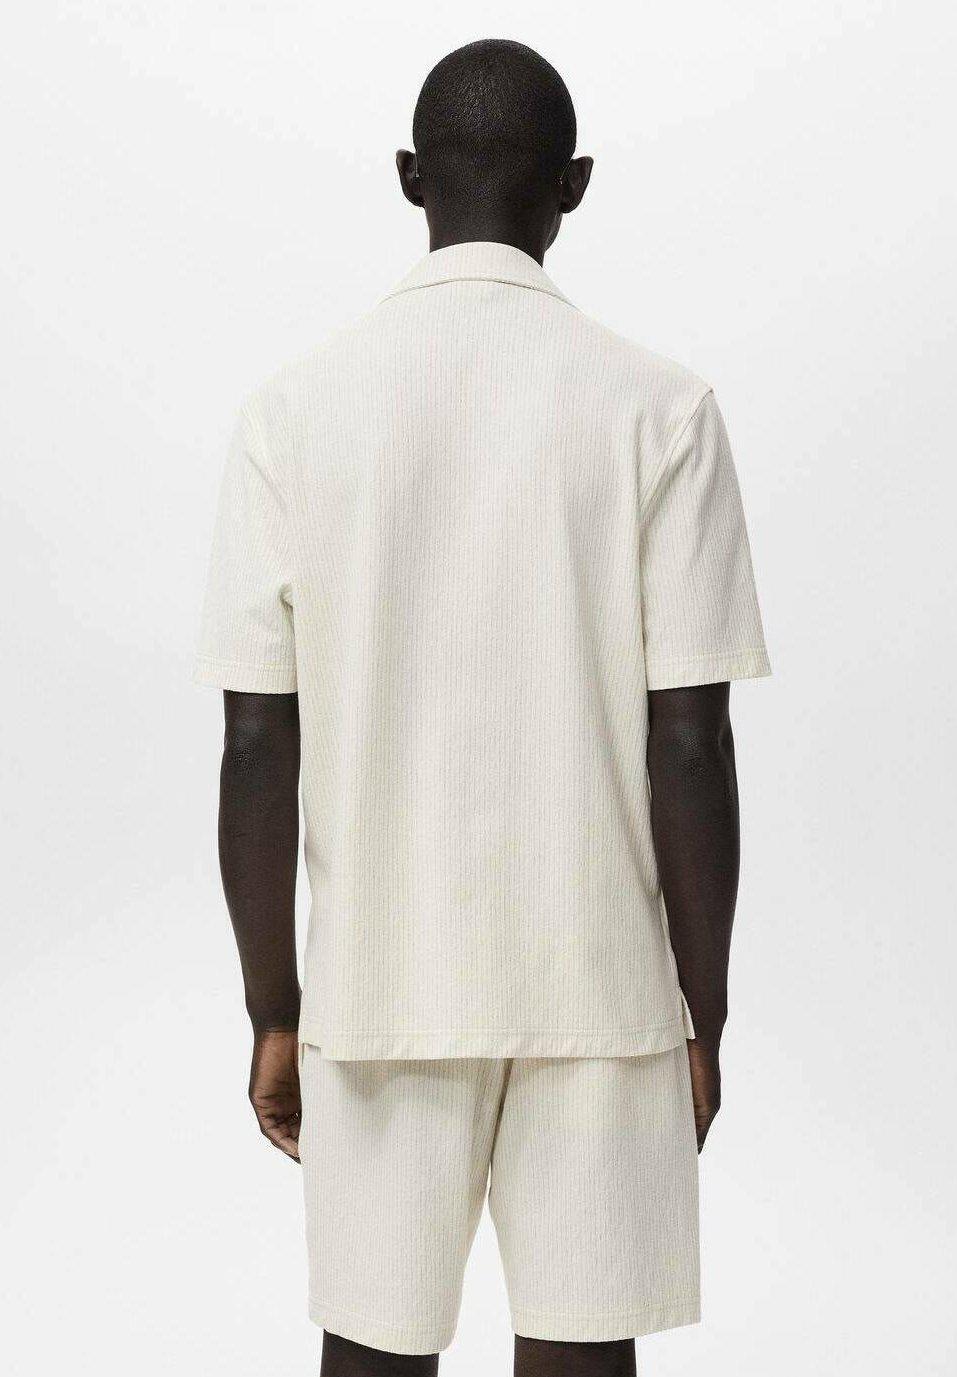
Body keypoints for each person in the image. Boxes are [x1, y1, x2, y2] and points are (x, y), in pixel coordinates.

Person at [196, 37, 769, 1377]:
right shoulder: (662, 411)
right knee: (582, 1355)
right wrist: (700, 1008)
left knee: (371, 1355)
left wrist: (275, 1005)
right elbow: (690, 741)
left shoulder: (291, 415)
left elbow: (256, 744)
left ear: (410, 177)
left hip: (377, 988)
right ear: (574, 184)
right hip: (600, 991)